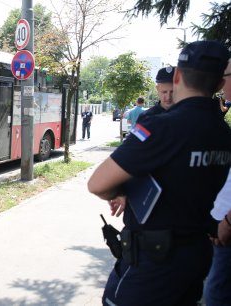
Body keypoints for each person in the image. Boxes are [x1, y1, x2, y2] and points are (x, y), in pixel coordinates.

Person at [87, 40, 231, 306]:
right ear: (220, 84)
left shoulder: (163, 128)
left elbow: (97, 184)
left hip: (154, 262)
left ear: (177, 76)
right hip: (196, 254)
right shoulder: (223, 133)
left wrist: (121, 191)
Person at [204, 59, 231, 306]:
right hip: (220, 226)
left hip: (227, 230)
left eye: (227, 76)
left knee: (216, 295)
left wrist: (228, 222)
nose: (223, 84)